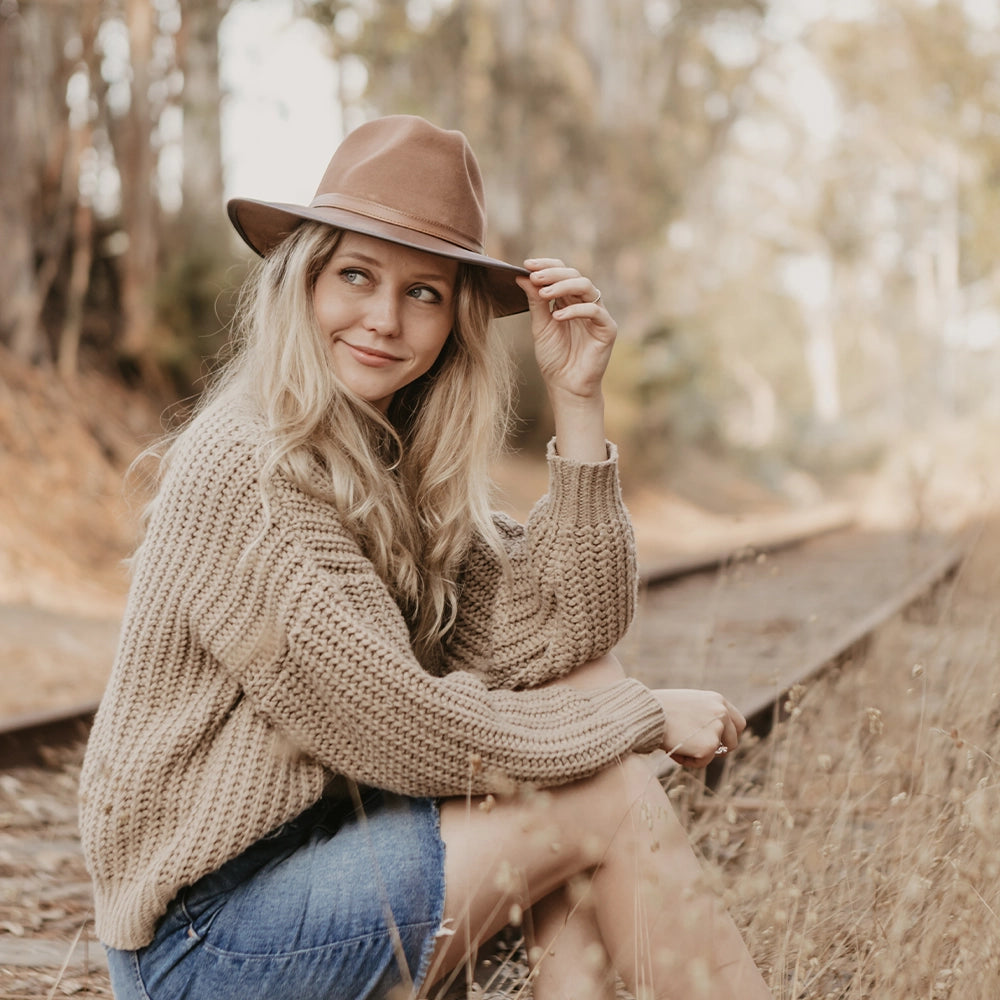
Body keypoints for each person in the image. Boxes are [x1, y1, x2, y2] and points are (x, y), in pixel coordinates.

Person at [79, 115, 771, 1000]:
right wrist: (642, 717)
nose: (384, 319)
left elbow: (569, 630)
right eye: (356, 276)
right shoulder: (249, 466)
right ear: (304, 281)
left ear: (454, 322)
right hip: (204, 943)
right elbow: (399, 728)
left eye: (423, 293)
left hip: (321, 871)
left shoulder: (389, 460)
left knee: (585, 698)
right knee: (594, 782)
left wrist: (578, 404)